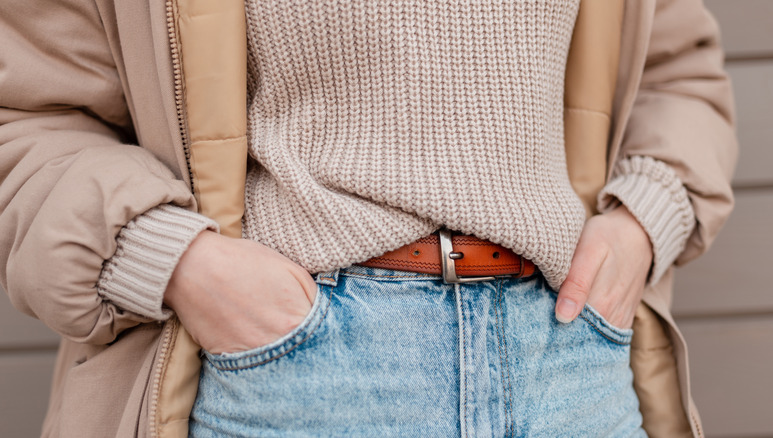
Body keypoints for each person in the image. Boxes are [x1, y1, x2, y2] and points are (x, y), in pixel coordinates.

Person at [0, 0, 736, 436]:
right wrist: (178, 261)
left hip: (569, 361)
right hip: (289, 374)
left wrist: (645, 218)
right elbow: (29, 114)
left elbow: (677, 70)